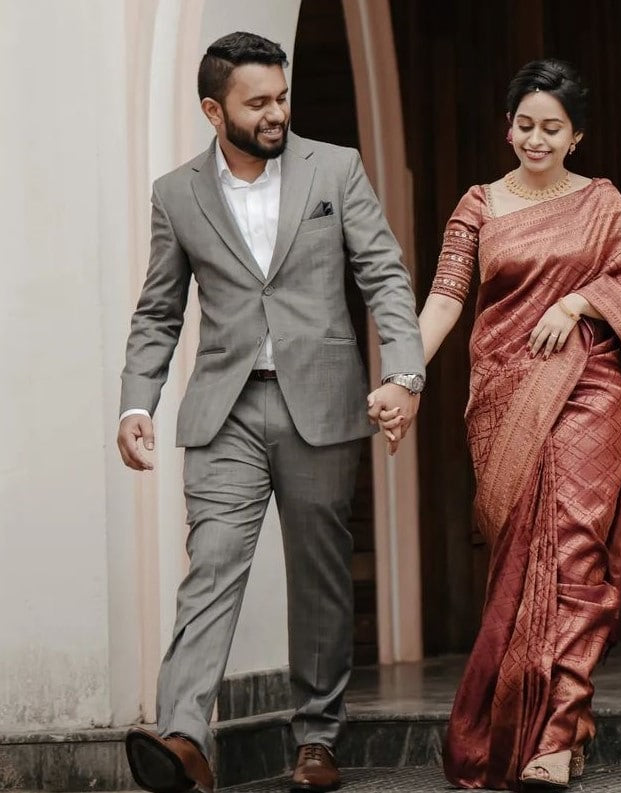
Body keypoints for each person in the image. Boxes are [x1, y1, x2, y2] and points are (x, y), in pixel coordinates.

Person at [117, 31, 425, 793]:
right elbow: (158, 311)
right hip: (224, 411)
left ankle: (316, 739)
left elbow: (383, 273)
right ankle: (184, 736)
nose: (277, 112)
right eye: (259, 102)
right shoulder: (176, 193)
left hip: (319, 405)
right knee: (211, 567)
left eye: (282, 96)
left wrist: (405, 373)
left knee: (319, 575)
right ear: (213, 109)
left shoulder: (336, 168)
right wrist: (135, 400)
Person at [378, 59, 621, 790]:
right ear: (507, 125)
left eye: (552, 129)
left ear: (577, 137)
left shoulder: (602, 203)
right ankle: (546, 727)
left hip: (590, 385)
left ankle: (558, 730)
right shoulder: (478, 205)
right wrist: (404, 374)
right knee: (522, 564)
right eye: (525, 125)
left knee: (575, 552)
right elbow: (444, 300)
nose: (534, 139)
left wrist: (579, 303)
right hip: (505, 396)